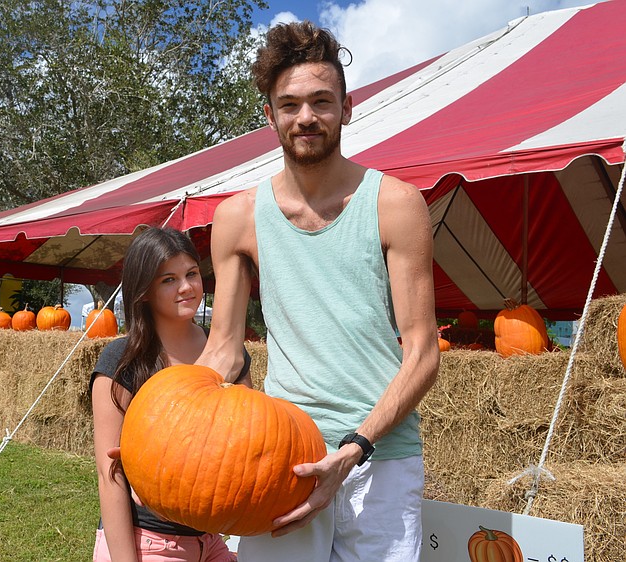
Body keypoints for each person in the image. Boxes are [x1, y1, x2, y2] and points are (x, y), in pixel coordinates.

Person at [196, 21, 440, 561]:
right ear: (270, 115)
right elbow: (223, 350)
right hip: (281, 460)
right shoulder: (236, 218)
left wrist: (355, 447)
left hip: (380, 459)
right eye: (290, 104)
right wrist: (162, 426)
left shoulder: (396, 204)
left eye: (321, 102)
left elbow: (422, 352)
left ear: (347, 109)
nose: (306, 117)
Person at [89, 227, 251, 562]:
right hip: (147, 542)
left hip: (211, 540)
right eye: (169, 280)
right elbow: (111, 477)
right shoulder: (122, 362)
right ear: (144, 290)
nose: (187, 287)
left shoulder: (231, 354)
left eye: (192, 274)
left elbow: (247, 446)